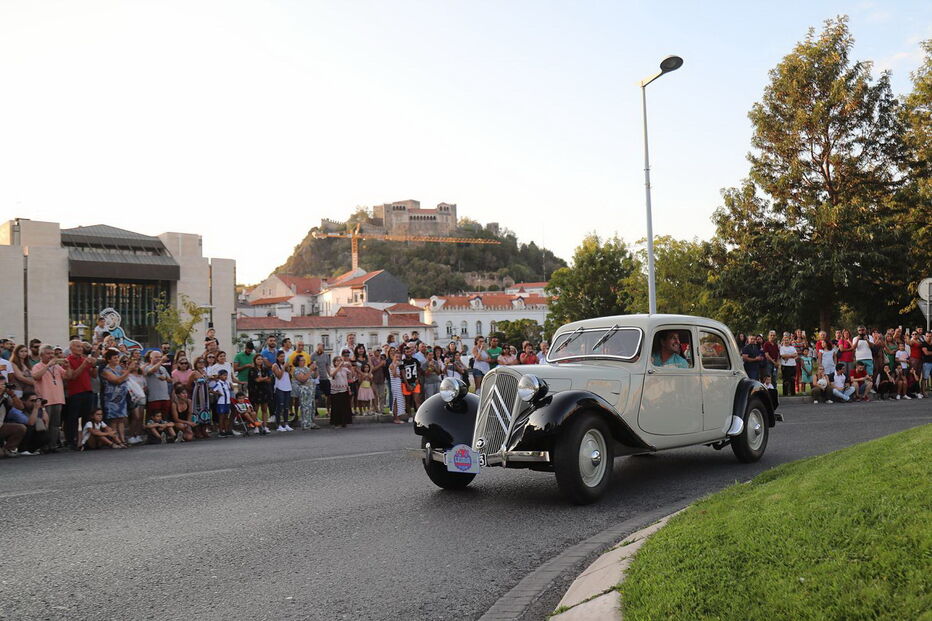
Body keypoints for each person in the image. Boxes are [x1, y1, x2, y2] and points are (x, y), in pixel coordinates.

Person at [31, 345, 69, 452]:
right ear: (41, 355)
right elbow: (36, 376)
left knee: (55, 424)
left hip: (58, 398)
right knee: (45, 423)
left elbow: (67, 376)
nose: (51, 355)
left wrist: (68, 367)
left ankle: (52, 445)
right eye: (48, 353)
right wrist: (48, 365)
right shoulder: (37, 366)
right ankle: (44, 446)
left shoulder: (57, 367)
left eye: (52, 353)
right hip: (45, 399)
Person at [64, 340, 98, 450]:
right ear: (71, 348)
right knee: (72, 418)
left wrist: (93, 366)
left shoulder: (84, 359)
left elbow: (93, 375)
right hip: (75, 392)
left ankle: (85, 440)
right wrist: (84, 365)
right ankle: (71, 441)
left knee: (87, 417)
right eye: (78, 346)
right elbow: (73, 376)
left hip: (87, 390)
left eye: (81, 347)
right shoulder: (68, 360)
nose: (80, 349)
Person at [101, 349, 133, 445]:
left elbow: (126, 376)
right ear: (109, 360)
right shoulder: (106, 371)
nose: (117, 359)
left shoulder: (119, 368)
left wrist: (127, 369)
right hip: (111, 399)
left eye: (117, 357)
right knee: (113, 420)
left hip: (121, 398)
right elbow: (117, 380)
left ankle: (122, 439)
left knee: (121, 419)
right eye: (114, 358)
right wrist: (128, 371)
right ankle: (115, 439)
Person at [292, 355, 319, 429]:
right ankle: (305, 424)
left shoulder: (306, 368)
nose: (304, 361)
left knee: (312, 407)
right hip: (304, 391)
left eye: (304, 360)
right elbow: (303, 379)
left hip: (311, 391)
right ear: (298, 362)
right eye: (302, 360)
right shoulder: (297, 370)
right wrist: (310, 370)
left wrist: (315, 369)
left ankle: (311, 422)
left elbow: (315, 376)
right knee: (305, 407)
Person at [247, 355, 273, 432]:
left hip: (264, 390)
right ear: (255, 360)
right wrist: (264, 378)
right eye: (258, 359)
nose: (260, 361)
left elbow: (269, 379)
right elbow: (257, 380)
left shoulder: (265, 369)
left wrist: (263, 379)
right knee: (255, 410)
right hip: (255, 391)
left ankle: (265, 426)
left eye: (261, 359)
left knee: (264, 409)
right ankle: (256, 426)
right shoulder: (252, 369)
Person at [210, 368, 238, 437]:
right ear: (219, 376)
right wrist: (218, 393)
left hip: (227, 402)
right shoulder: (218, 383)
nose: (225, 377)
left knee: (226, 416)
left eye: (226, 375)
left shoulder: (227, 383)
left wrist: (232, 387)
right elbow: (211, 390)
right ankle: (221, 431)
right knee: (221, 417)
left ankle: (226, 430)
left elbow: (229, 389)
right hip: (221, 402)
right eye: (223, 375)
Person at [271, 351, 293, 432]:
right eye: (281, 356)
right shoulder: (275, 365)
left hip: (287, 387)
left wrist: (287, 367)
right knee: (279, 407)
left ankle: (286, 424)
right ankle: (278, 425)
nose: (282, 358)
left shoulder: (285, 365)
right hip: (279, 388)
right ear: (277, 357)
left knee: (286, 407)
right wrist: (283, 367)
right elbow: (279, 376)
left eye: (283, 356)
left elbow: (289, 375)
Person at [329, 355, 353, 428]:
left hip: (344, 390)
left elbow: (351, 376)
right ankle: (336, 422)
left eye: (340, 360)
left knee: (344, 407)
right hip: (335, 391)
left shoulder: (345, 369)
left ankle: (344, 422)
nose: (339, 362)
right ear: (334, 362)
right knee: (336, 407)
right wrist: (339, 367)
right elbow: (332, 375)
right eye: (337, 360)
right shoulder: (332, 369)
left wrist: (350, 366)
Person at [400, 345, 421, 420]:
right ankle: (409, 416)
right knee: (408, 401)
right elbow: (403, 373)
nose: (408, 353)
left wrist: (417, 379)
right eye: (406, 352)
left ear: (411, 352)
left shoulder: (415, 360)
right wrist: (407, 384)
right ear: (404, 353)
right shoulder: (402, 362)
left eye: (409, 351)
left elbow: (419, 371)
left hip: (415, 382)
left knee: (417, 400)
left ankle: (419, 417)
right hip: (406, 383)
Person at [311, 344, 332, 417]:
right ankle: (316, 412)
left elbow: (327, 366)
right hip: (316, 378)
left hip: (325, 378)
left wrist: (330, 375)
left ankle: (328, 411)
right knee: (316, 396)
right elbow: (310, 366)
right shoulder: (312, 355)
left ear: (323, 349)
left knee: (328, 395)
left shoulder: (326, 355)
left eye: (321, 349)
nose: (319, 350)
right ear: (316, 348)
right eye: (318, 349)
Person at [388, 352, 406, 424]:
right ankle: (396, 418)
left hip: (398, 384)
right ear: (393, 357)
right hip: (395, 385)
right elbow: (394, 374)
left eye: (399, 357)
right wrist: (396, 366)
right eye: (396, 357)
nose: (398, 358)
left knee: (399, 401)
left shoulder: (398, 365)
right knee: (396, 401)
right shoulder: (392, 365)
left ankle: (398, 417)